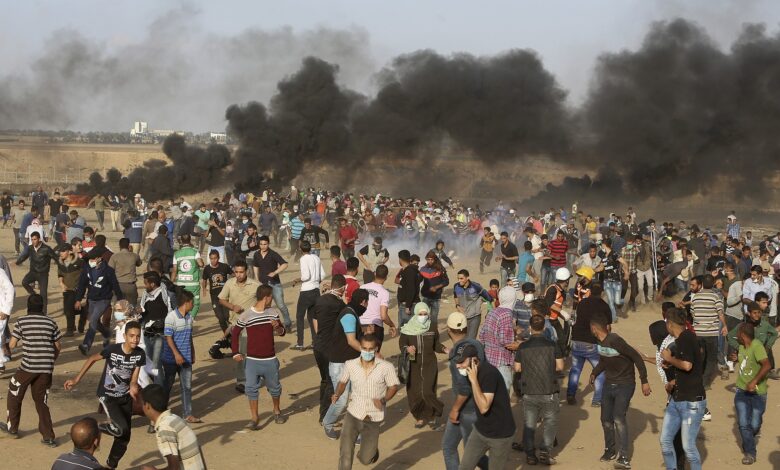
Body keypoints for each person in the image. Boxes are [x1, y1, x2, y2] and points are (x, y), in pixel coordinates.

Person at [64, 321, 146, 470]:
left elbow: (134, 376)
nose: (135, 339)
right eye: (131, 336)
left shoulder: (140, 354)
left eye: (138, 336)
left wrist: (134, 385)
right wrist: (76, 380)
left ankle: (110, 466)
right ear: (124, 336)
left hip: (125, 397)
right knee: (120, 429)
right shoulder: (113, 349)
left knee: (124, 437)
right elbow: (92, 359)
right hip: (108, 396)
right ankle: (95, 427)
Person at [589, 317, 651, 469]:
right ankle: (610, 451)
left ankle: (624, 457)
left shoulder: (615, 341)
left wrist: (644, 381)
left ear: (594, 329)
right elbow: (604, 361)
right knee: (605, 419)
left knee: (618, 418)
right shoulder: (600, 343)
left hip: (625, 385)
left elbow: (636, 357)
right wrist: (594, 373)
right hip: (608, 385)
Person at [0, 294, 61, 446]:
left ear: (28, 306)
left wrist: (6, 346)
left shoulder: (22, 321)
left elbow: (12, 344)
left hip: (28, 366)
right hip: (46, 368)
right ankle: (48, 437)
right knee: (41, 401)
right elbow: (58, 346)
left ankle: (12, 428)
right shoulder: (51, 322)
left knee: (14, 391)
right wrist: (50, 360)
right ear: (42, 307)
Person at [333, 334, 400, 470]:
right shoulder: (350, 364)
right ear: (360, 348)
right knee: (345, 454)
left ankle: (370, 453)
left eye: (370, 349)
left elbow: (393, 386)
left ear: (376, 349)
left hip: (373, 418)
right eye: (364, 348)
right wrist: (337, 394)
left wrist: (383, 400)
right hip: (353, 413)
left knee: (366, 459)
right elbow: (343, 382)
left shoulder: (386, 367)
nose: (367, 352)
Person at [231, 284, 288, 428]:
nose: (272, 299)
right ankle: (254, 418)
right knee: (251, 389)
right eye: (271, 297)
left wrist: (277, 327)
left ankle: (276, 410)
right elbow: (235, 333)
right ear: (266, 297)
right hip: (252, 361)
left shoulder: (273, 313)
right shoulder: (246, 315)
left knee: (275, 388)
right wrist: (235, 352)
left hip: (270, 360)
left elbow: (282, 332)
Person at [659, 308, 707, 470]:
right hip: (677, 398)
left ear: (670, 324)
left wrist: (669, 358)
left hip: (691, 402)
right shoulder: (682, 339)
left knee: (688, 447)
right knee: (665, 440)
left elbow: (687, 366)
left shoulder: (686, 338)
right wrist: (670, 363)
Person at [455, 344, 516, 470]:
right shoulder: (470, 372)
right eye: (457, 362)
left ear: (474, 360)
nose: (458, 366)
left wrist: (474, 381)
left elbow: (484, 407)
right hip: (481, 430)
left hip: (500, 436)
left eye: (461, 362)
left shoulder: (489, 374)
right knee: (464, 467)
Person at [514, 314, 564, 465]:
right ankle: (545, 452)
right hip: (549, 389)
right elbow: (560, 366)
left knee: (529, 424)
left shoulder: (523, 347)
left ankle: (530, 455)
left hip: (529, 390)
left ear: (530, 328)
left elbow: (517, 368)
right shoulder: (552, 345)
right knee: (550, 423)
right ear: (543, 328)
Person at [441, 313, 489, 470]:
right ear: (466, 328)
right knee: (453, 446)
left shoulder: (457, 356)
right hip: (478, 405)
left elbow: (464, 388)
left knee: (467, 452)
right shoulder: (476, 345)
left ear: (449, 331)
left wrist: (455, 409)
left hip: (466, 410)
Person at [322, 288, 369, 439]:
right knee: (342, 400)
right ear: (363, 302)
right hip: (340, 365)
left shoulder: (352, 312)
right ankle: (328, 423)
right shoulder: (349, 315)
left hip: (352, 363)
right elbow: (351, 341)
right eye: (367, 303)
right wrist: (368, 353)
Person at [729, 322, 771, 465]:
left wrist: (754, 382)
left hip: (758, 392)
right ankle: (750, 453)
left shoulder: (757, 346)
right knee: (743, 424)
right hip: (741, 390)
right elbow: (745, 361)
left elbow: (767, 365)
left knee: (754, 424)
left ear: (742, 335)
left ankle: (749, 437)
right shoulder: (741, 347)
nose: (736, 336)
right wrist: (736, 359)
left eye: (738, 333)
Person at [399, 303, 447, 428]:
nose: (423, 316)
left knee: (428, 391)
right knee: (414, 393)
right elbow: (402, 344)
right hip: (413, 365)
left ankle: (433, 414)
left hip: (430, 364)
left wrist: (444, 349)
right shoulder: (407, 328)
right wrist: (407, 349)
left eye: (425, 314)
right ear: (415, 314)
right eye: (420, 314)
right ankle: (420, 417)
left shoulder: (432, 326)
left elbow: (436, 345)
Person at [218, 260, 261, 393]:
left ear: (246, 271)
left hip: (251, 325)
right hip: (236, 325)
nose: (238, 275)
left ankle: (251, 378)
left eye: (241, 272)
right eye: (236, 272)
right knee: (240, 353)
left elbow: (265, 301)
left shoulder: (256, 285)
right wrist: (232, 306)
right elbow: (221, 299)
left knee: (251, 353)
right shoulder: (229, 283)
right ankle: (242, 381)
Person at [140, 384, 206, 470]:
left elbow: (174, 468)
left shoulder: (165, 427)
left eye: (142, 404)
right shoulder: (175, 418)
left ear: (147, 406)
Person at [567, 283, 612, 407]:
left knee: (575, 369)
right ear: (602, 292)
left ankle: (570, 395)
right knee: (600, 371)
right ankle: (597, 400)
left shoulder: (582, 303)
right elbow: (608, 327)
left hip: (577, 339)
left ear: (590, 291)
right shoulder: (604, 306)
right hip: (593, 342)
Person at [311, 275, 347, 424]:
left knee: (325, 380)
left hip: (318, 346)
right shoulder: (340, 305)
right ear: (343, 288)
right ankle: (325, 416)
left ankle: (323, 413)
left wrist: (320, 336)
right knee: (332, 382)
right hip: (330, 348)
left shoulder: (319, 300)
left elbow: (315, 321)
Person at [161, 289, 200, 424]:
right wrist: (177, 354)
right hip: (171, 359)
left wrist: (192, 353)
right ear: (186, 303)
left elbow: (189, 336)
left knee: (186, 387)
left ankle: (187, 414)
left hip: (186, 358)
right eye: (192, 302)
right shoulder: (170, 317)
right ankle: (161, 413)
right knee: (168, 386)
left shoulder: (189, 318)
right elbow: (168, 338)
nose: (193, 305)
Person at [76, 250, 124, 355]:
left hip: (103, 299)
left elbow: (115, 284)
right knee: (95, 321)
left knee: (93, 321)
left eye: (93, 259)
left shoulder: (108, 270)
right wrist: (78, 299)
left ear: (99, 258)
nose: (91, 261)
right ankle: (107, 333)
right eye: (90, 259)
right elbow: (82, 284)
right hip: (91, 299)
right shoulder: (86, 269)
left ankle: (86, 345)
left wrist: (120, 299)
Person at [690, 274, 727, 391]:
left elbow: (693, 313)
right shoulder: (716, 297)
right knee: (711, 359)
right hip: (711, 333)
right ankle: (705, 382)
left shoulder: (695, 297)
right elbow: (720, 313)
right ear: (713, 283)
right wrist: (724, 326)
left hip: (698, 333)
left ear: (702, 284)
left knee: (700, 357)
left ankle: (697, 380)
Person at [479, 286, 519, 391]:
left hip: (488, 359)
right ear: (513, 299)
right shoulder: (507, 315)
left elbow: (482, 335)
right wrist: (519, 344)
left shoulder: (492, 312)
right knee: (503, 393)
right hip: (501, 362)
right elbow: (505, 341)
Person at [290, 240, 325, 350]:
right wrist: (316, 282)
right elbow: (323, 275)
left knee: (300, 316)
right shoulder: (316, 257)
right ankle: (315, 342)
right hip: (316, 291)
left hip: (306, 291)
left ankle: (300, 343)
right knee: (312, 317)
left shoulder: (303, 259)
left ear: (300, 249)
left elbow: (306, 276)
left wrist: (296, 280)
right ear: (310, 248)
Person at [252, 235, 292, 330]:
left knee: (281, 306)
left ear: (268, 244)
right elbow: (255, 266)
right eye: (261, 244)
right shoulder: (256, 254)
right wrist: (257, 279)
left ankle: (287, 323)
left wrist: (275, 272)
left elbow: (285, 264)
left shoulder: (273, 254)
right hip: (263, 284)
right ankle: (267, 326)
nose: (263, 246)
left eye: (265, 244)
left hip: (275, 284)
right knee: (264, 307)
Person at [16, 231, 57, 314]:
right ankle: (33, 294)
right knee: (24, 282)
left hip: (43, 274)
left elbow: (56, 258)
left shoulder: (47, 249)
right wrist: (17, 263)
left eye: (35, 239)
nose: (33, 241)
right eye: (32, 239)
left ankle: (44, 313)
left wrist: (63, 266)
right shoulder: (30, 248)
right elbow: (24, 256)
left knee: (43, 294)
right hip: (33, 272)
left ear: (39, 239)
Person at [359, 265, 397, 349]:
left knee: (361, 353)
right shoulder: (384, 293)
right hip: (375, 328)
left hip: (360, 326)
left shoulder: (362, 287)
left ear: (375, 273)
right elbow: (383, 316)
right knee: (374, 354)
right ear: (386, 277)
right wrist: (391, 325)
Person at [171, 234, 204, 319]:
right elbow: (201, 264)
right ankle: (190, 319)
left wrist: (171, 282)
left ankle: (181, 319)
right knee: (195, 303)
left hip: (181, 284)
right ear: (190, 240)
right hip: (193, 284)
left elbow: (174, 270)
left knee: (181, 303)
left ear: (181, 241)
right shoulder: (195, 252)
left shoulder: (177, 254)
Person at [453, 269, 492, 339]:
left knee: (471, 339)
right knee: (463, 338)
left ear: (467, 277)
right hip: (462, 317)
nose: (459, 280)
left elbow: (489, 298)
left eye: (461, 278)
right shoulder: (456, 286)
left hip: (475, 317)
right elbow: (455, 296)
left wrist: (489, 312)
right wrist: (457, 305)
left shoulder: (476, 287)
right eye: (458, 278)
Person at [201, 251, 232, 335]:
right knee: (220, 318)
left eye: (215, 258)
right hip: (214, 296)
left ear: (218, 258)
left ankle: (231, 332)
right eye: (211, 258)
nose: (213, 260)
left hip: (225, 296)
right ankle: (227, 335)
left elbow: (233, 274)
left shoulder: (224, 266)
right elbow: (204, 280)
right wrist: (204, 289)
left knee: (227, 316)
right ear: (209, 259)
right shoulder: (207, 268)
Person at [108, 238, 142, 305]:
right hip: (131, 286)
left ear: (119, 246)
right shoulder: (134, 256)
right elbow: (139, 263)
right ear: (128, 246)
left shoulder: (114, 256)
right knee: (131, 307)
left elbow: (110, 270)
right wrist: (131, 252)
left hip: (118, 285)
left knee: (118, 307)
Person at [420, 251, 449, 325]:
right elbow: (418, 281)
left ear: (435, 259)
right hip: (425, 297)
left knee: (434, 318)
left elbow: (446, 281)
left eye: (431, 259)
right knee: (423, 317)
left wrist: (436, 287)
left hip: (436, 297)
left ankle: (433, 331)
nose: (430, 261)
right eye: (428, 259)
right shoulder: (423, 269)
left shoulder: (441, 269)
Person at [395, 249, 421, 328]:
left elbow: (411, 290)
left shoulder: (409, 271)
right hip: (404, 304)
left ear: (400, 259)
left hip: (408, 305)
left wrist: (407, 306)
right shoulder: (406, 270)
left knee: (407, 329)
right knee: (403, 328)